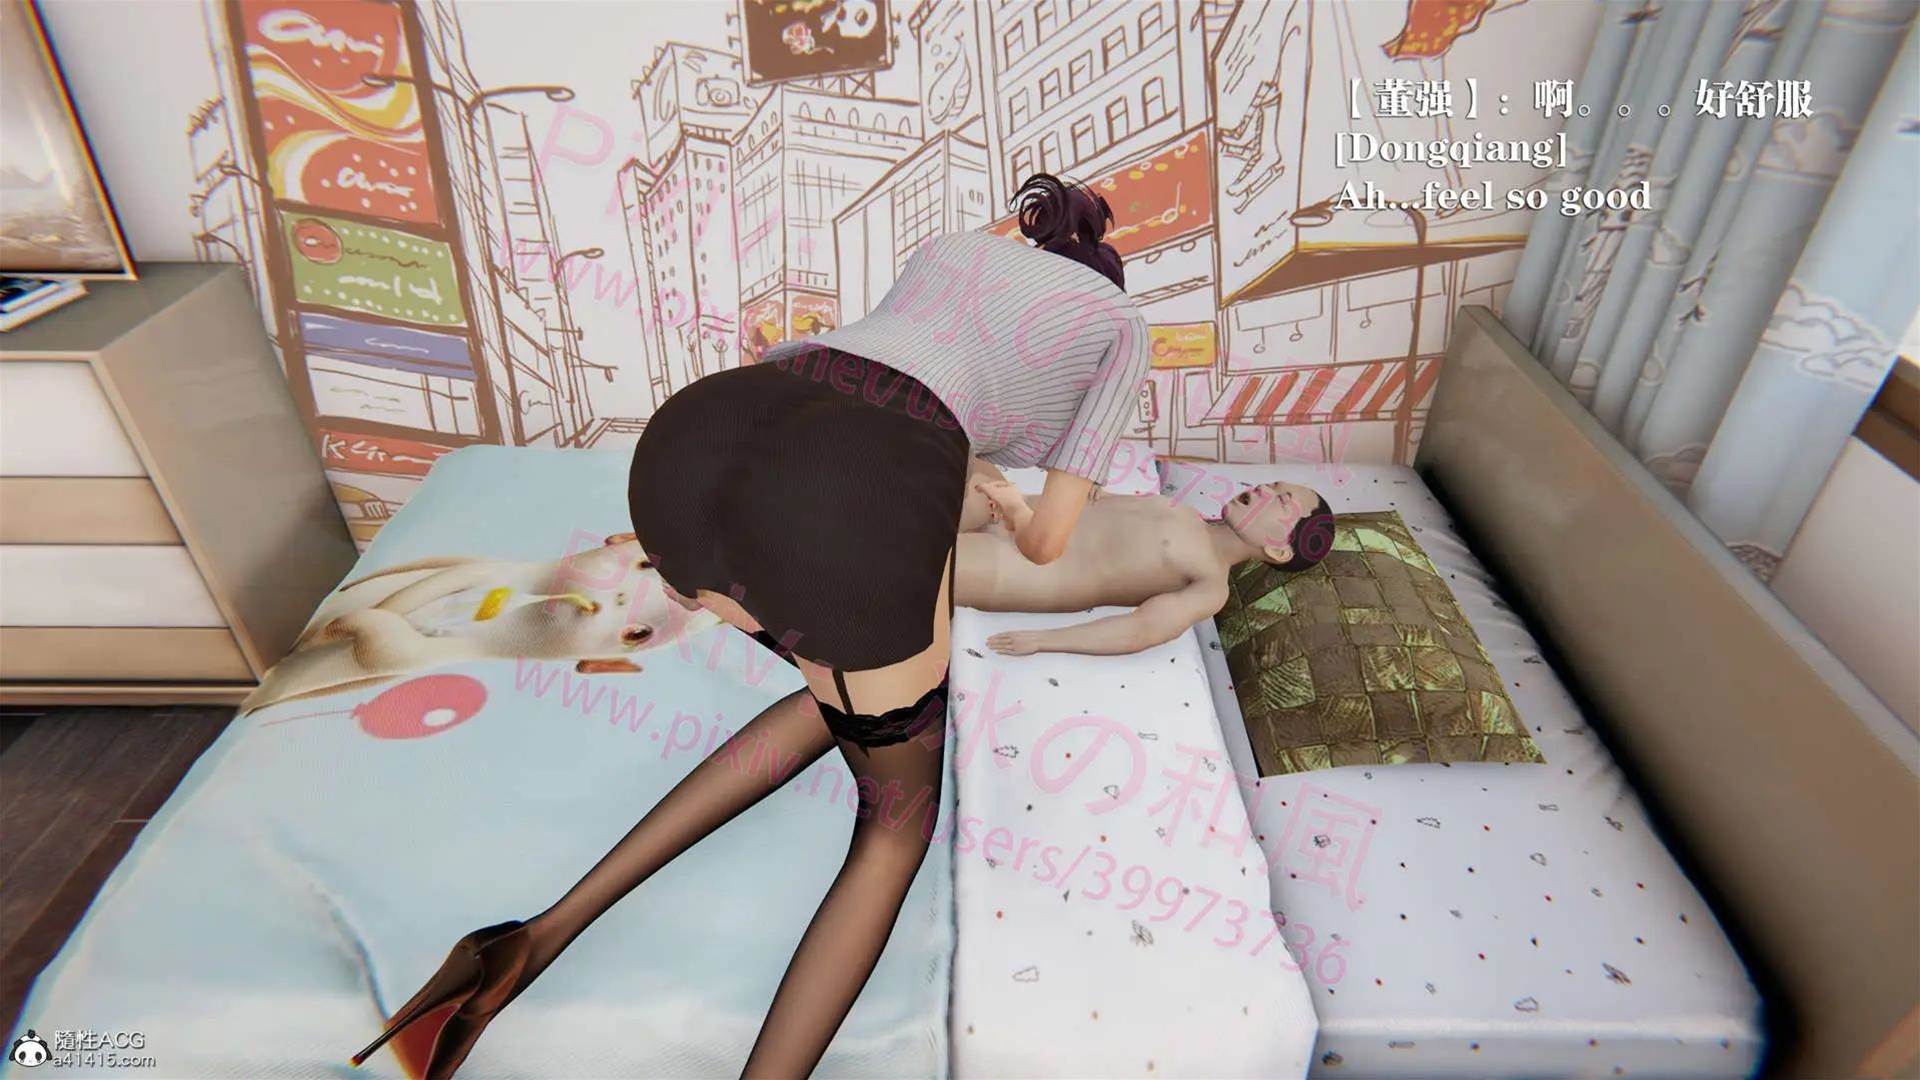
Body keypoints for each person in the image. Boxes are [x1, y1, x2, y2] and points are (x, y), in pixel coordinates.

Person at [351, 174, 1151, 1079]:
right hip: (848, 500)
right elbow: (1046, 544)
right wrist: (1003, 500)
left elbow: (914, 357)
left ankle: (524, 943)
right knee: (895, 823)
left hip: (692, 448)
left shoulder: (956, 250)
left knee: (847, 694)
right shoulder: (1119, 325)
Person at [955, 461, 1335, 656]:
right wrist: (1093, 487)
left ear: (1279, 550)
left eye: (1281, 500)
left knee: (927, 553)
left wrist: (1043, 641)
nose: (1264, 489)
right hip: (1014, 512)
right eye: (1273, 484)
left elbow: (1140, 630)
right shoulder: (1183, 512)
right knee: (959, 450)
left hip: (1020, 568)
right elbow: (1101, 508)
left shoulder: (1210, 584)